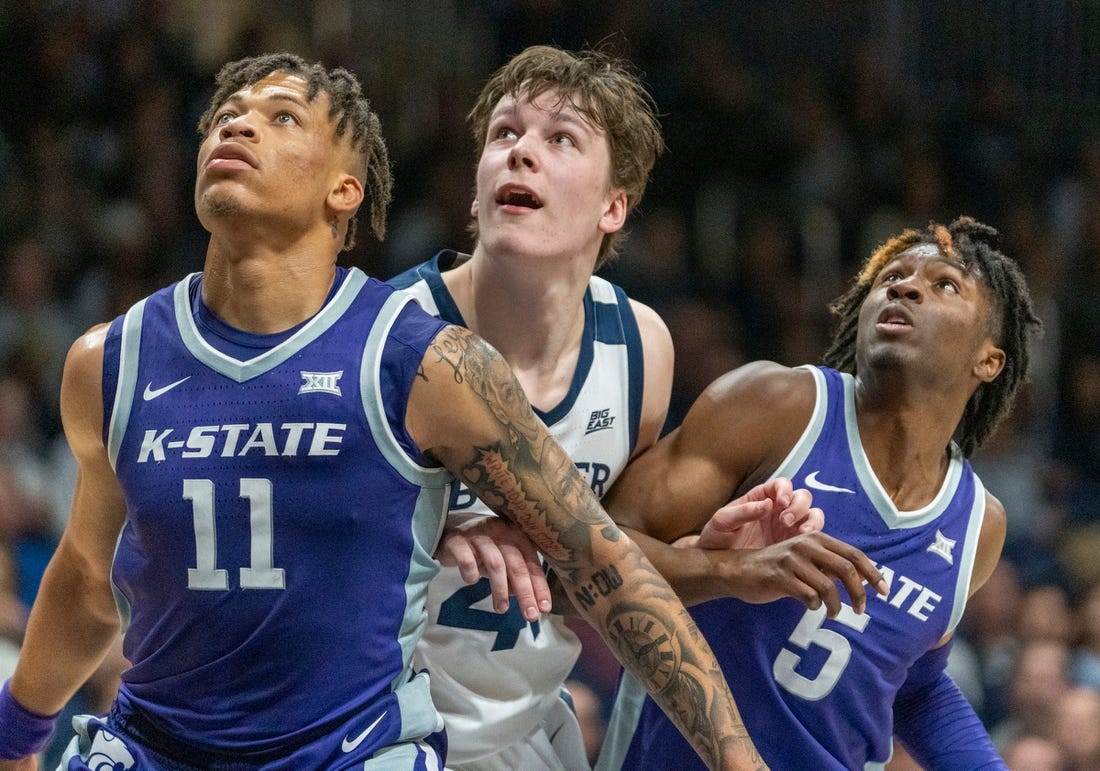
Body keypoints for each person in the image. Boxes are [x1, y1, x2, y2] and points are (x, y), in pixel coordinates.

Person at [0, 53, 766, 771]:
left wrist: (740, 758)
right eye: (225, 114)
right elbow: (85, 574)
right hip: (158, 741)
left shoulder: (427, 361)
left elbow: (604, 562)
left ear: (346, 189)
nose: (235, 124)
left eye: (283, 117)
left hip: (361, 747)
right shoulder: (109, 360)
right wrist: (16, 727)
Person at [389, 45, 884, 770]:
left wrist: (700, 555)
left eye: (559, 139)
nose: (520, 152)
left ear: (613, 207)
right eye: (504, 134)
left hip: (525, 733)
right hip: (384, 730)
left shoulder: (640, 348)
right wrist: (426, 542)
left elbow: (598, 563)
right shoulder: (387, 332)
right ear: (473, 190)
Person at [596, 216, 1042, 769]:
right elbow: (584, 549)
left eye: (944, 284)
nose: (904, 287)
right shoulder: (776, 407)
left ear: (989, 360)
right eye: (892, 277)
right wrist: (728, 570)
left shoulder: (978, 524)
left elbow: (915, 686)